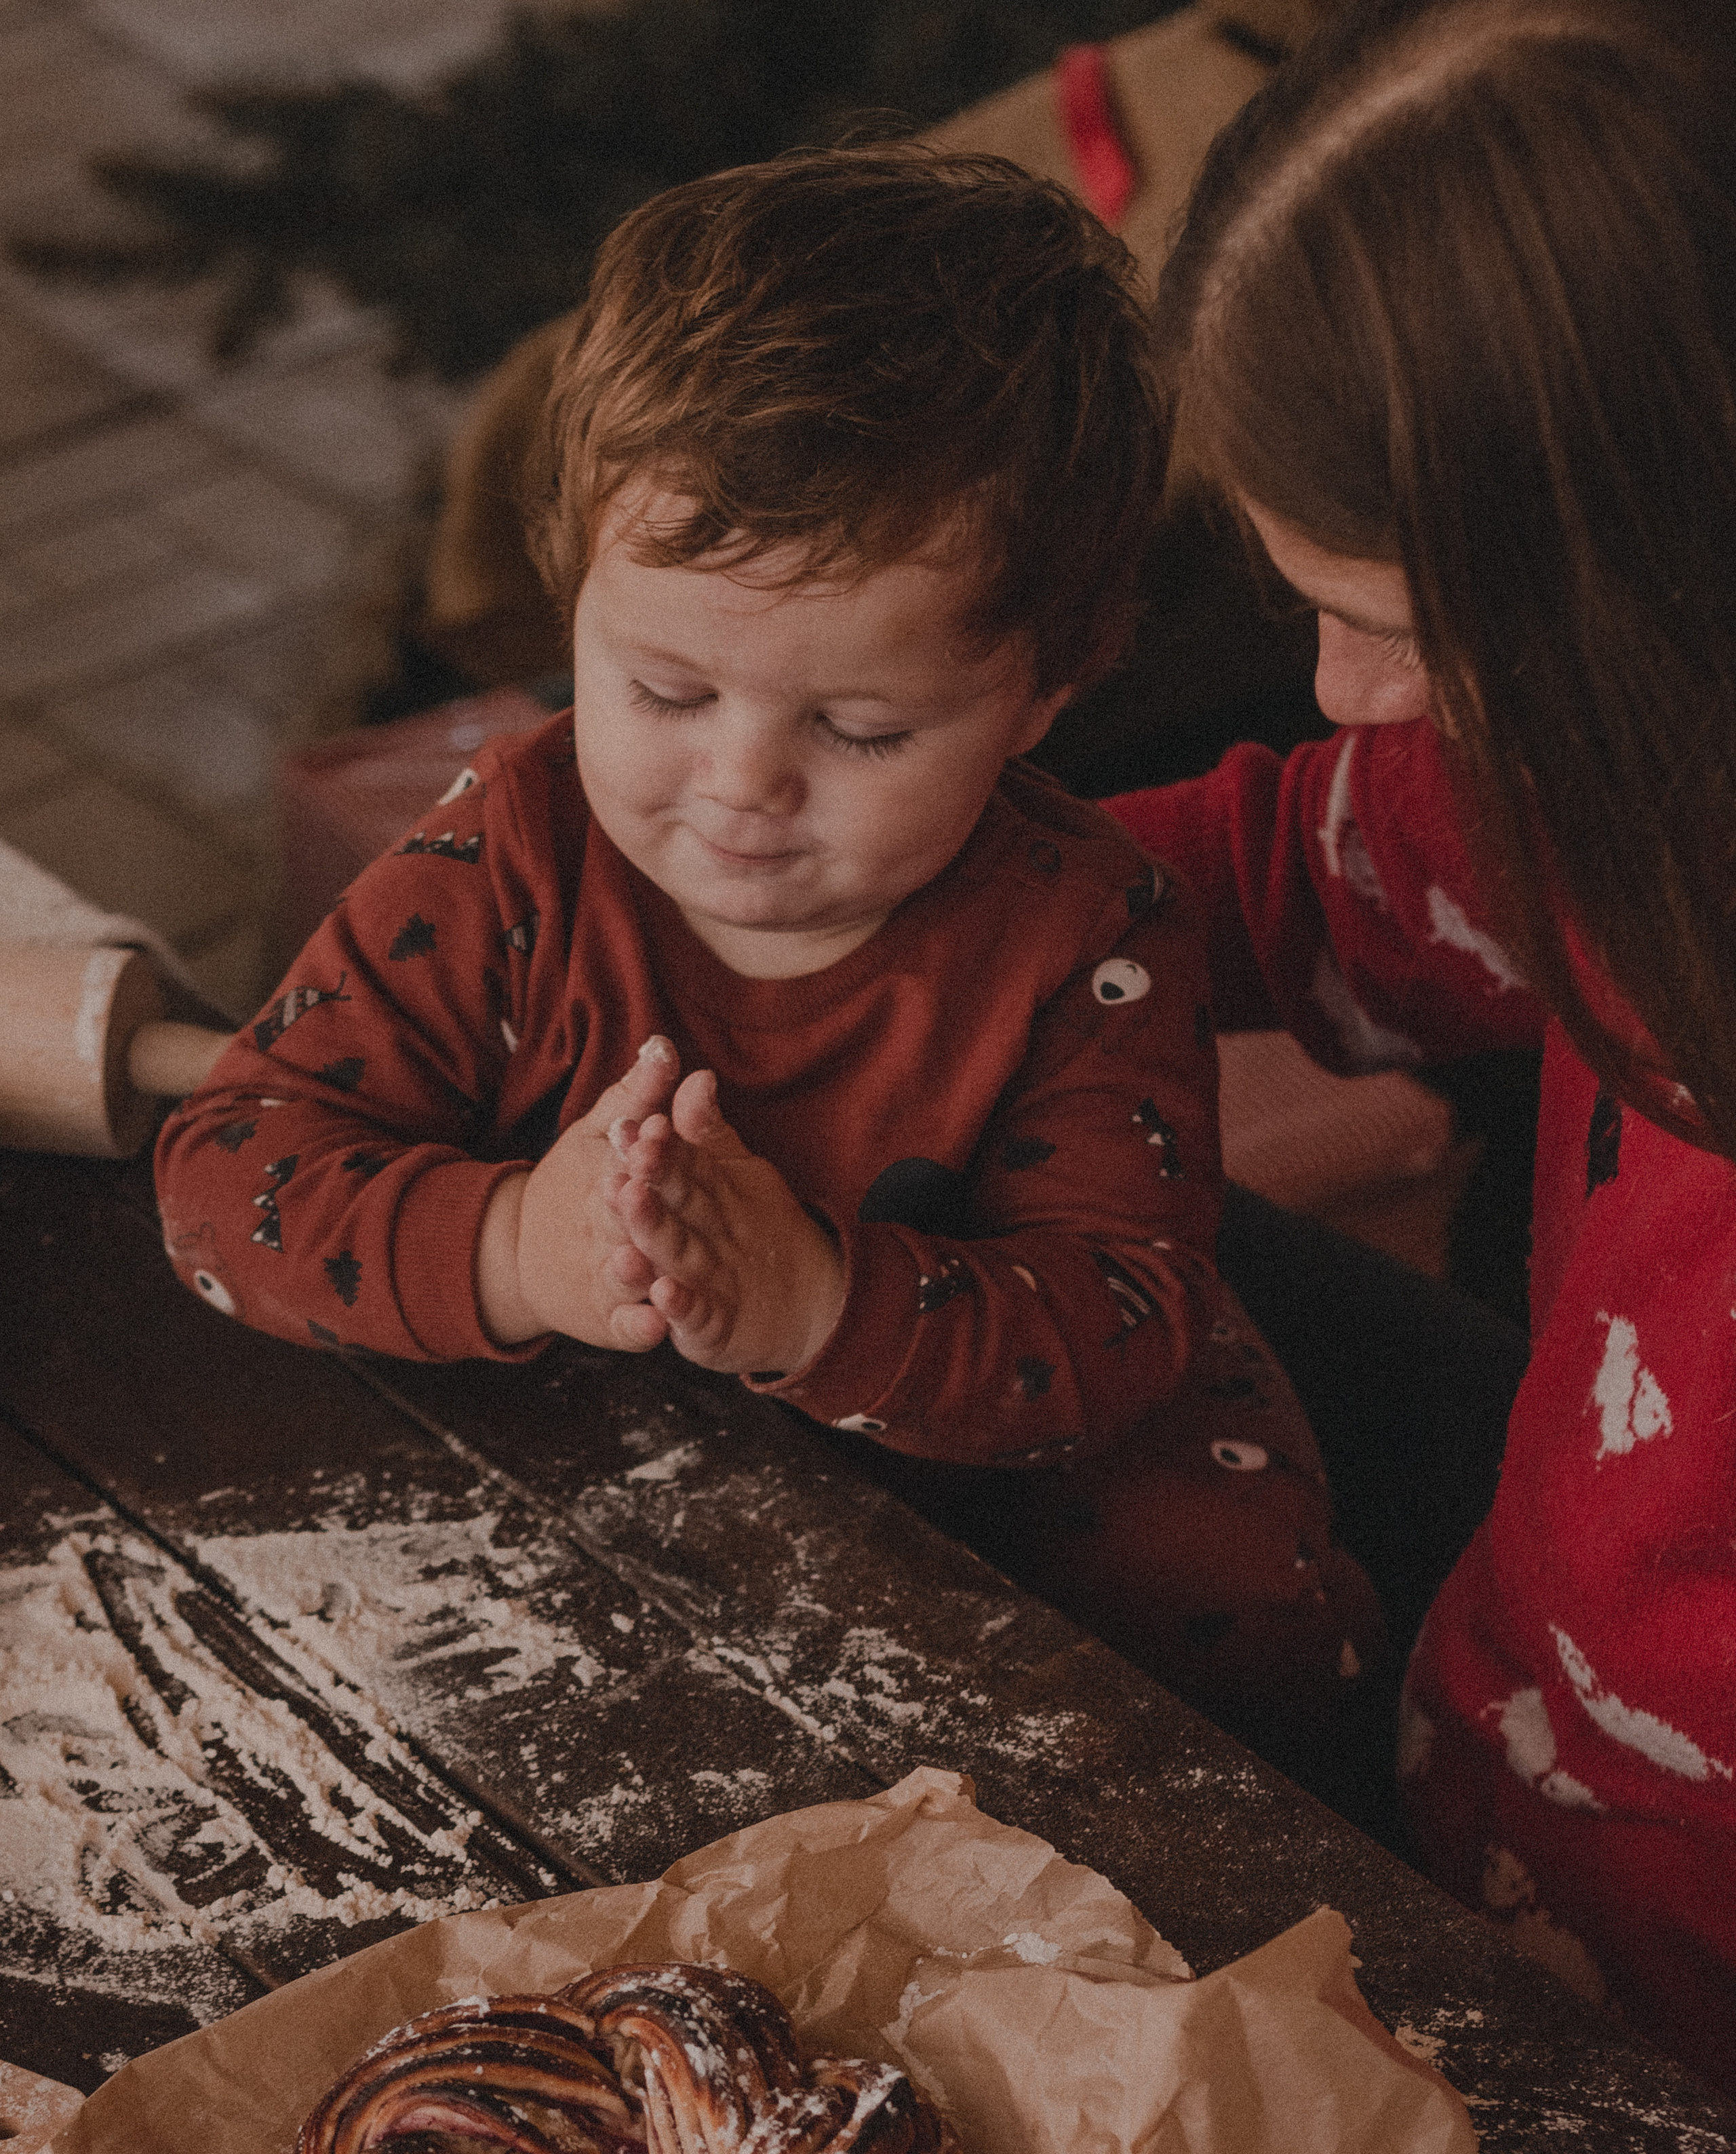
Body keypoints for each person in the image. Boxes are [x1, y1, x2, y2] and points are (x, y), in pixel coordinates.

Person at [153, 144, 1386, 1791]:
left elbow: (1117, 1326)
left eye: (860, 729)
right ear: (573, 593)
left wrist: (810, 1297)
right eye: (665, 692)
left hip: (998, 1492)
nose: (740, 786)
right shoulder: (510, 853)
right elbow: (227, 1177)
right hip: (604, 1469)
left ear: (1046, 690)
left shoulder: (1088, 936)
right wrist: (516, 1247)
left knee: (1224, 1591)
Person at [1105, 0, 1736, 2087]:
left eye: (1395, 622)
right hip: (1491, 1797)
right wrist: (900, 886)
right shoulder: (1618, 770)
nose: (1341, 689)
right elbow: (1312, 872)